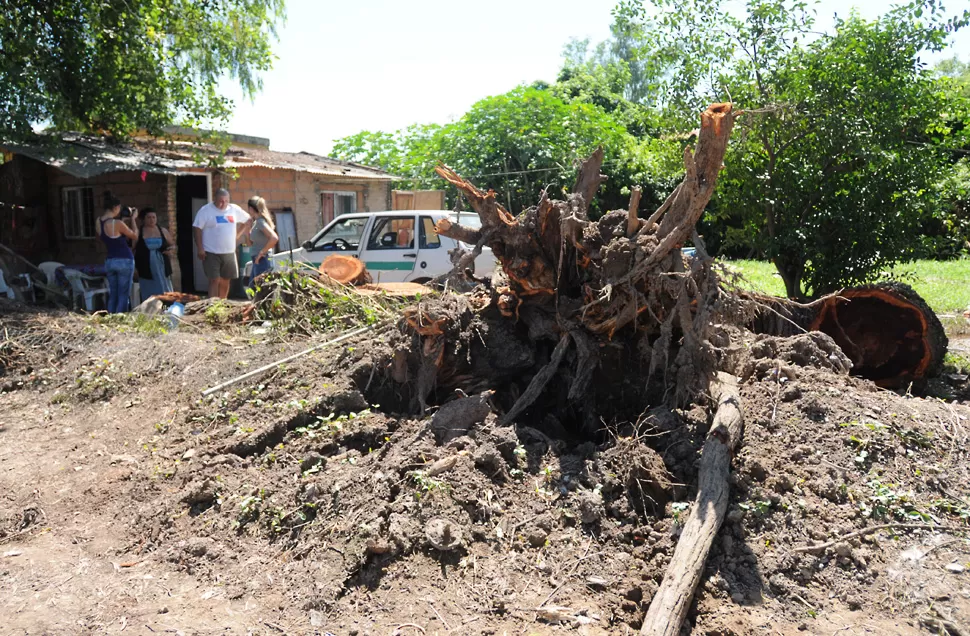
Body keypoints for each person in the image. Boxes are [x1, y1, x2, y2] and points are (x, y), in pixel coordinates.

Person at [192, 188, 250, 299]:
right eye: (220, 201)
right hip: (211, 252)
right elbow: (197, 228)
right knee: (214, 280)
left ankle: (222, 304)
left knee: (225, 280)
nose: (223, 204)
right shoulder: (206, 210)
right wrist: (200, 248)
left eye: (226, 201)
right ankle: (212, 305)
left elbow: (247, 220)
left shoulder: (234, 209)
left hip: (229, 252)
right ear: (215, 199)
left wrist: (237, 235)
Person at [98, 192, 138, 313]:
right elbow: (134, 236)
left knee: (113, 293)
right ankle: (120, 320)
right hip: (124, 260)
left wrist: (122, 220)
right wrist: (133, 219)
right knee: (123, 295)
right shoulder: (117, 223)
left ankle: (111, 318)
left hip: (110, 261)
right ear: (115, 207)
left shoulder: (98, 221)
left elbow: (110, 237)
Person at [134, 208, 175, 303]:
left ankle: (166, 306)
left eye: (154, 217)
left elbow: (172, 244)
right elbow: (133, 248)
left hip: (161, 264)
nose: (152, 220)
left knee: (164, 285)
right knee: (149, 285)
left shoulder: (163, 230)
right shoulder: (139, 232)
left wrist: (170, 251)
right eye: (149, 217)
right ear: (143, 219)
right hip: (146, 265)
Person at [246, 196, 279, 284]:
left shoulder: (261, 222)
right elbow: (250, 244)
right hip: (258, 260)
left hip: (262, 260)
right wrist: (247, 230)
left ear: (251, 209)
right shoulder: (256, 223)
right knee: (253, 288)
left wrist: (262, 252)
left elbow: (274, 238)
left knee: (259, 289)